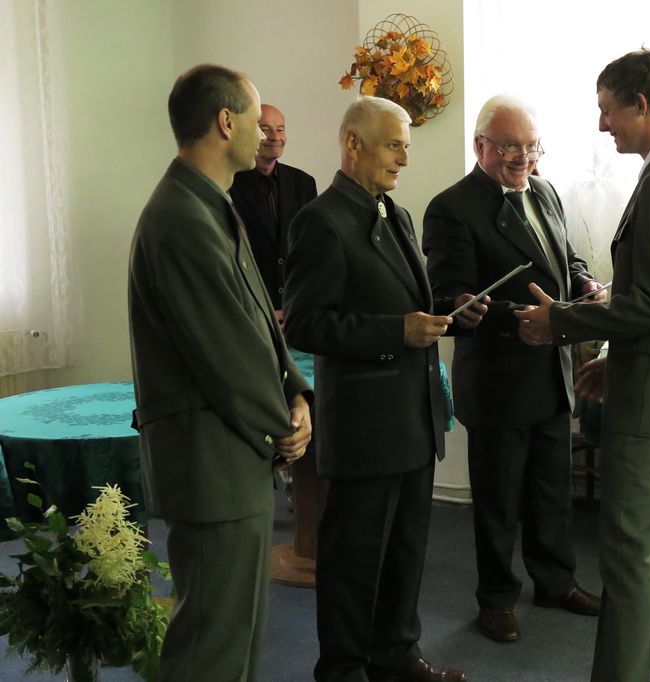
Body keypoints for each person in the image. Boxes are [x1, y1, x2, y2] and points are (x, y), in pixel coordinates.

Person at [515, 49, 650, 682]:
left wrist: (560, 321)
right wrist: (618, 362)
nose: (602, 124)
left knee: (629, 557)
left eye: (608, 110)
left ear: (642, 104)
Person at [283, 96, 481, 682]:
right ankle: (343, 669)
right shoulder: (320, 220)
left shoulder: (394, 212)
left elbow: (405, 300)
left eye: (406, 147)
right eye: (394, 145)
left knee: (404, 550)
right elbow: (305, 324)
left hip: (413, 418)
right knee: (353, 559)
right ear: (353, 143)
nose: (404, 159)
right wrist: (398, 332)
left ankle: (396, 655)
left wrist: (452, 309)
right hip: (364, 424)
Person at [127, 64, 313, 682]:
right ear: (226, 122)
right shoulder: (180, 216)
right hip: (209, 461)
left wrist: (297, 391)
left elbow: (261, 318)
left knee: (238, 636)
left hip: (231, 454)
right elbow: (226, 351)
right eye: (258, 120)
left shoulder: (209, 203)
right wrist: (283, 424)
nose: (266, 133)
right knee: (211, 645)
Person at [421, 94, 603, 644]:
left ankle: (555, 583)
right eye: (509, 147)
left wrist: (583, 281)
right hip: (499, 379)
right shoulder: (452, 207)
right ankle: (496, 599)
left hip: (550, 371)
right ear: (480, 146)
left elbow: (563, 257)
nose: (523, 157)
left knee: (552, 492)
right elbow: (449, 295)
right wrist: (508, 320)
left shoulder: (544, 191)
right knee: (498, 502)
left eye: (531, 146)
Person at [229, 103, 317, 318]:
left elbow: (312, 251)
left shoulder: (304, 183)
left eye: (280, 129)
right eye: (265, 129)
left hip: (297, 312)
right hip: (251, 312)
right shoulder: (228, 184)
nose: (275, 137)